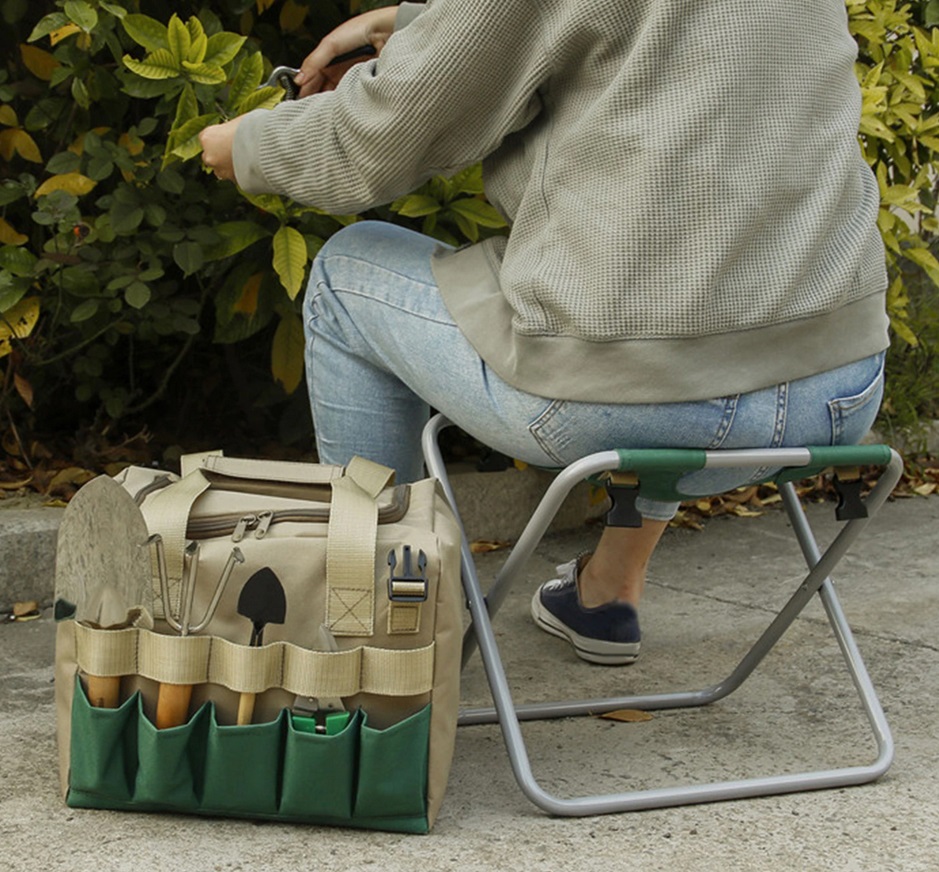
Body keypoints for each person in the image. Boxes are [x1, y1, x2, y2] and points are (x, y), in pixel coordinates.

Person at [200, 0, 889, 666]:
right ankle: (606, 592)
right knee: (677, 293)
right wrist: (422, 23)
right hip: (835, 390)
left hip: (617, 403)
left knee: (347, 274)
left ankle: (389, 627)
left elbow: (385, 139)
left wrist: (250, 146)